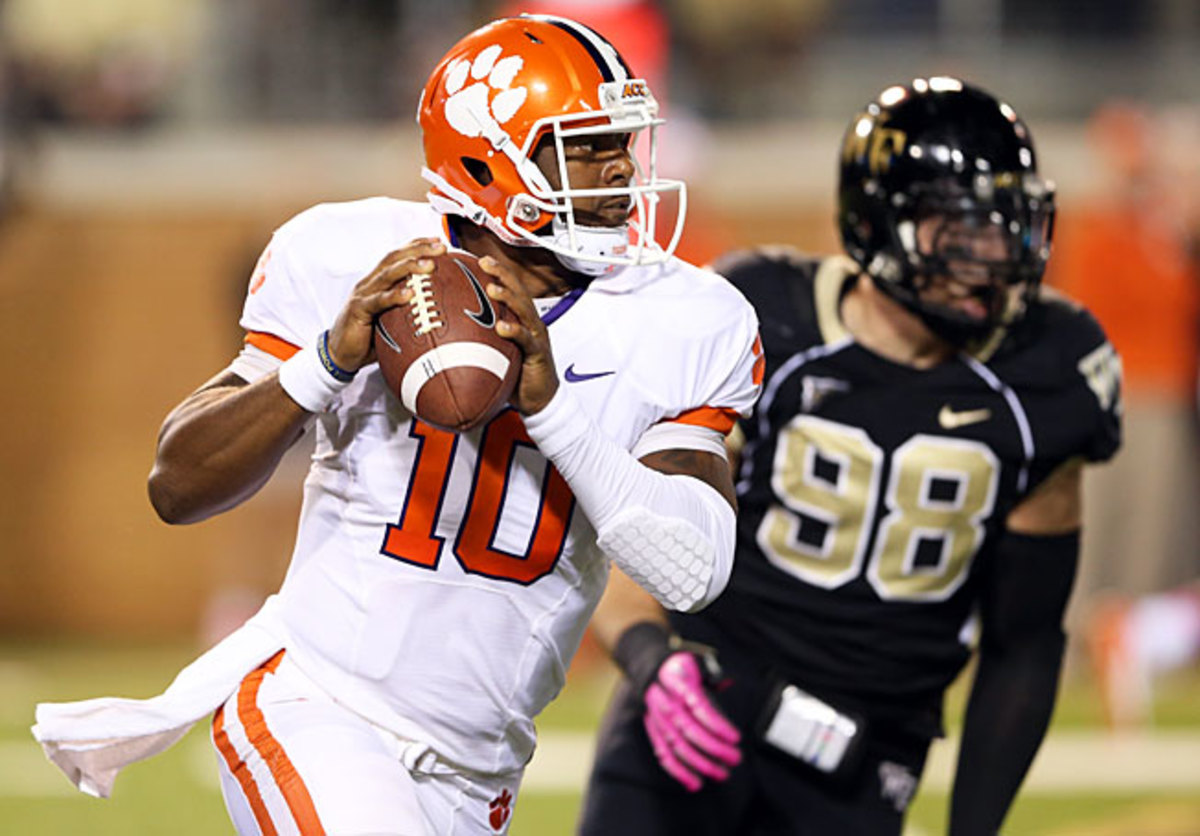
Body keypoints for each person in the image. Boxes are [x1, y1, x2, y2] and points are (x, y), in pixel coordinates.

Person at [31, 14, 762, 836]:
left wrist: (553, 410)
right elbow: (177, 483)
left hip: (479, 765)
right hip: (319, 701)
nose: (621, 169)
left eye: (623, 141)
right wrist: (323, 363)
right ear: (490, 160)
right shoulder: (352, 255)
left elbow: (693, 570)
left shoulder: (686, 315)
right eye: (586, 146)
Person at [579, 78, 1122, 836]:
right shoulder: (763, 315)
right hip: (702, 701)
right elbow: (636, 526)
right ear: (879, 221)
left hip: (866, 755)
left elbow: (1025, 643)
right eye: (958, 231)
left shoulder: (1047, 372)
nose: (992, 258)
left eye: (1004, 228)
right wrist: (649, 659)